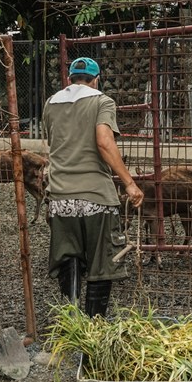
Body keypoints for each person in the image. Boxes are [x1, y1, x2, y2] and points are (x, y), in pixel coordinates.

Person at [42, 57, 144, 317]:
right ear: (97, 79)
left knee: (69, 258)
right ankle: (94, 327)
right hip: (96, 197)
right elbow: (104, 143)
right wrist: (129, 183)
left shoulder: (51, 103)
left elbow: (52, 144)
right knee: (101, 262)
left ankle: (73, 325)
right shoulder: (102, 101)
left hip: (60, 197)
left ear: (69, 78)